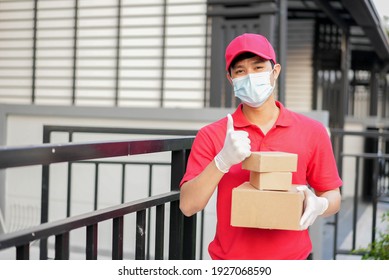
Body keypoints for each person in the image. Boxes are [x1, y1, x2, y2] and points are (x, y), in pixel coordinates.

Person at [179, 33, 342, 260]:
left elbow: (333, 194)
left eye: (258, 68)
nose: (250, 76)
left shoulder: (311, 131)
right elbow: (188, 206)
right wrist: (222, 161)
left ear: (275, 72)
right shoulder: (213, 135)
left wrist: (321, 204)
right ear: (231, 79)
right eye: (240, 71)